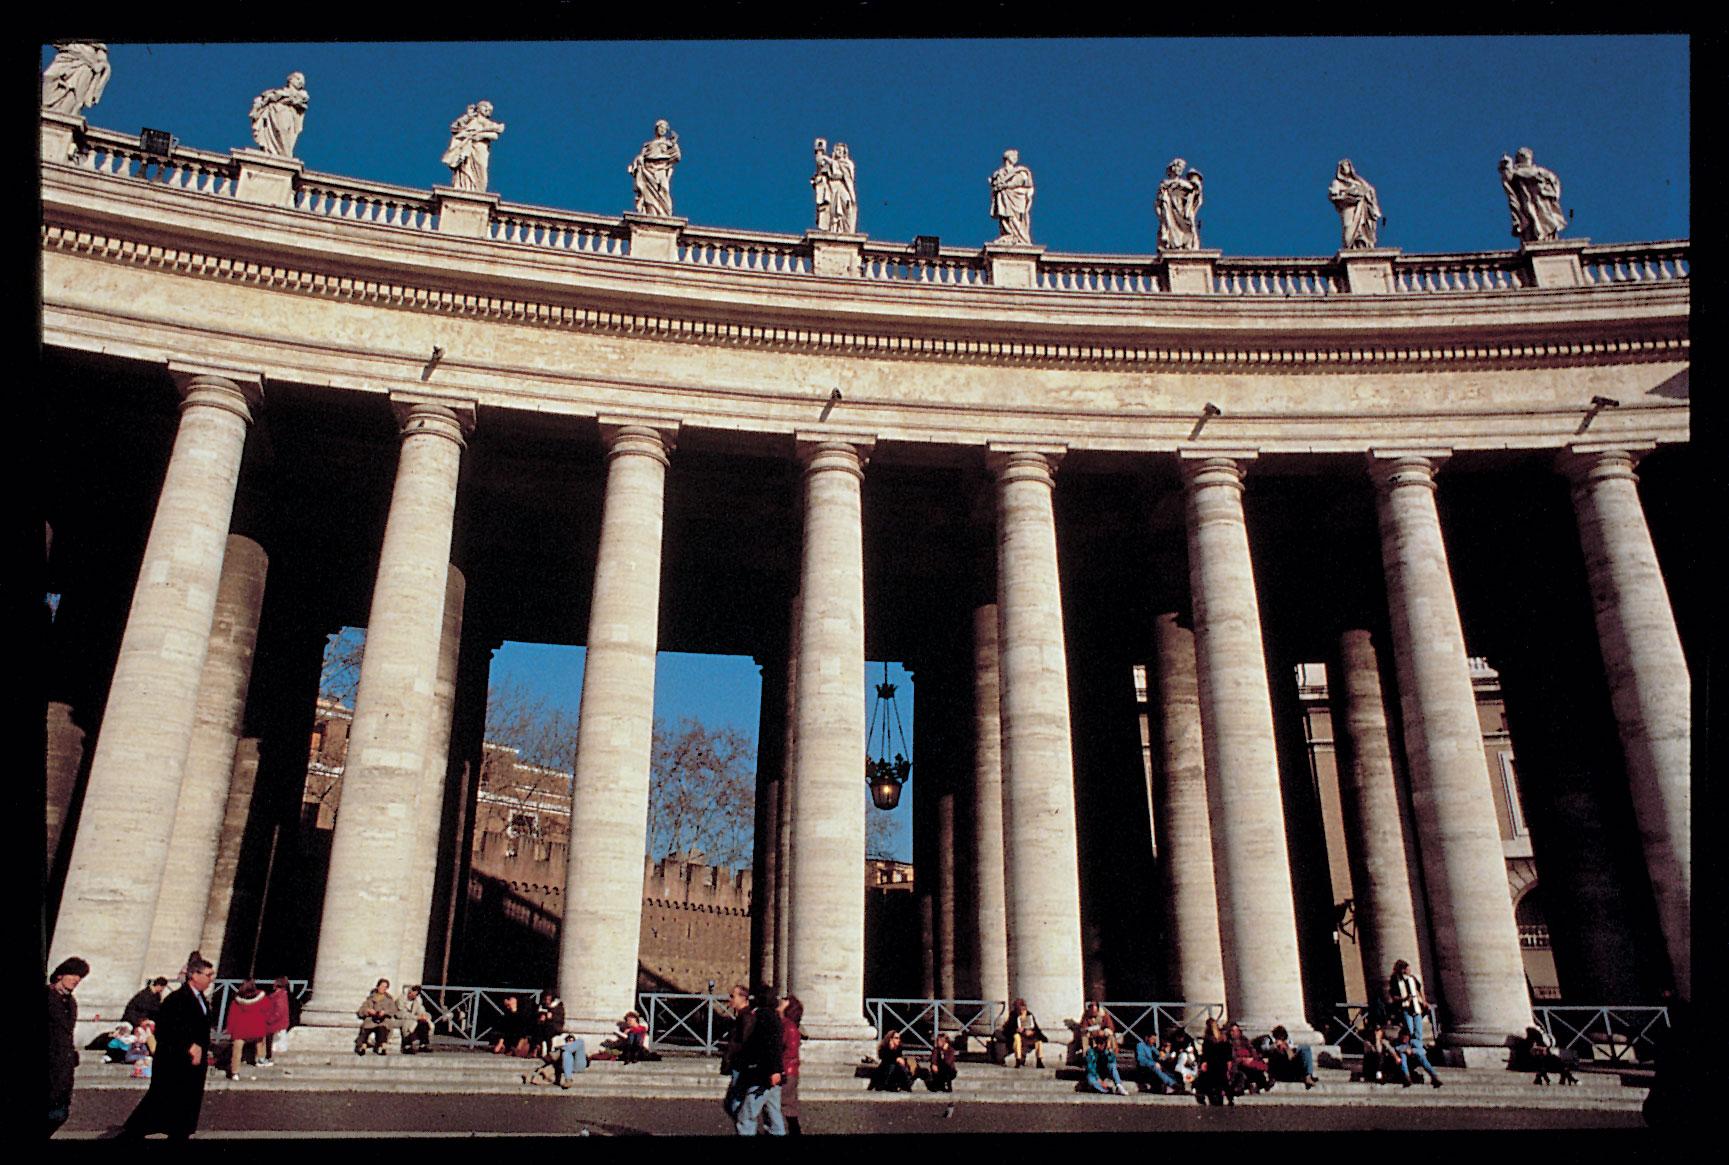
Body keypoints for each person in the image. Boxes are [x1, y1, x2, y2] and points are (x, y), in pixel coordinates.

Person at [119, 954, 216, 1139]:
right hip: (176, 1059)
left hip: (194, 1061)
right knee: (162, 1097)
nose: (211, 979)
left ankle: (179, 1132)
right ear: (194, 975)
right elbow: (168, 1028)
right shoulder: (176, 998)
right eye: (208, 974)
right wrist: (189, 1045)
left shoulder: (201, 999)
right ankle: (133, 1133)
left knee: (185, 1102)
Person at [733, 986, 787, 1136]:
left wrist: (774, 1070)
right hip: (771, 1073)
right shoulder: (773, 1016)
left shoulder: (763, 1017)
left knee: (746, 1118)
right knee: (774, 1117)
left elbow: (771, 1046)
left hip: (763, 1075)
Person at [48, 956, 88, 1138]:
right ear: (59, 975)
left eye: (80, 976)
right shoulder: (47, 997)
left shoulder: (71, 1003)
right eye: (73, 974)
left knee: (60, 1114)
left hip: (63, 1070)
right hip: (48, 1066)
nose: (77, 979)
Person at [1500, 147, 1567, 242]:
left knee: (1547, 219)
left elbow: (1554, 182)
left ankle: (1548, 238)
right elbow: (1509, 180)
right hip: (1529, 201)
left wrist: (1553, 193)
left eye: (1526, 154)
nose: (1525, 157)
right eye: (1521, 155)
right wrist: (1506, 167)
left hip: (1543, 200)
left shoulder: (1540, 171)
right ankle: (1537, 237)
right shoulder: (1516, 172)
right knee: (1532, 219)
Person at [441, 101, 505, 193]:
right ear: (478, 108)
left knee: (480, 168)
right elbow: (454, 128)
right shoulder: (471, 120)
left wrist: (480, 136)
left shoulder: (487, 122)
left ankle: (478, 190)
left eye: (489, 109)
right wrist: (467, 116)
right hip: (466, 146)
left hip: (479, 147)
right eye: (485, 107)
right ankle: (464, 187)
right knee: (464, 166)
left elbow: (495, 135)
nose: (487, 109)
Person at [628, 119, 681, 217]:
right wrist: (637, 161)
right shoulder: (647, 145)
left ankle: (663, 213)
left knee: (664, 189)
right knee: (648, 193)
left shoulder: (668, 144)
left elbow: (677, 156)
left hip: (661, 169)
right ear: (656, 129)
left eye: (664, 128)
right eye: (660, 127)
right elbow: (641, 156)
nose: (662, 129)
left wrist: (674, 144)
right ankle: (651, 212)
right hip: (648, 169)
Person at [249, 72, 309, 158]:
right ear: (291, 79)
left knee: (284, 131)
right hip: (275, 113)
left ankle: (284, 154)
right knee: (278, 131)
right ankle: (275, 152)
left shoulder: (302, 94)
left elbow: (301, 103)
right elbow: (266, 99)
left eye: (303, 81)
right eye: (298, 79)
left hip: (288, 114)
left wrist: (286, 100)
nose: (301, 82)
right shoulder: (278, 92)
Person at [42, 42, 110, 114]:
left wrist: (101, 64)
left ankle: (65, 112)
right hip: (66, 55)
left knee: (73, 90)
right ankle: (47, 105)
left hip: (86, 63)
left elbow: (102, 58)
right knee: (48, 76)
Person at [1329, 159, 1382, 250]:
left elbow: (1369, 190)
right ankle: (1351, 246)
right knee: (1348, 230)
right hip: (1348, 208)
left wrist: (1363, 194)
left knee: (1362, 228)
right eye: (1343, 166)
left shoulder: (1358, 182)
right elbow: (1334, 196)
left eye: (1347, 165)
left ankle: (1364, 243)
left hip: (1361, 207)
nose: (1345, 168)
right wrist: (1348, 195)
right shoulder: (1337, 183)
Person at [225, 979, 270, 1080]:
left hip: (240, 1028)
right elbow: (267, 1009)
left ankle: (235, 1072)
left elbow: (231, 1016)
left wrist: (230, 1030)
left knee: (237, 1052)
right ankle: (260, 1059)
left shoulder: (236, 1001)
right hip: (256, 1026)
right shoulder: (262, 998)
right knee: (260, 1041)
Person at [1156, 158, 1205, 251]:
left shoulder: (1184, 184)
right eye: (1178, 167)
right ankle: (1173, 244)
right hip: (1170, 209)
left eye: (1181, 168)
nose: (1180, 170)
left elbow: (1194, 193)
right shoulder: (1165, 183)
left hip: (1182, 210)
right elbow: (1159, 200)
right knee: (1170, 225)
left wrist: (1197, 187)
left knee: (1187, 226)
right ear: (1172, 168)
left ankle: (1187, 244)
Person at [719, 984, 753, 1118]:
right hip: (737, 1064)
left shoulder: (747, 1018)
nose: (730, 999)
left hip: (741, 1065)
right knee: (732, 1104)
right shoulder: (742, 1017)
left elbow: (743, 1043)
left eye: (733, 996)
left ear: (743, 998)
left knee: (735, 1104)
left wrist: (731, 1056)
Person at [989, 149, 1035, 244]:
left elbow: (1024, 181)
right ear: (1008, 157)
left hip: (1017, 198)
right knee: (1005, 217)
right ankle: (1009, 234)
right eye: (1014, 156)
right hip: (1004, 197)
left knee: (1017, 218)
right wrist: (996, 186)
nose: (1016, 159)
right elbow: (995, 184)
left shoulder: (1020, 171)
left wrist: (1006, 185)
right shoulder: (998, 173)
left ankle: (1019, 237)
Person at [1264, 1024, 1319, 1090]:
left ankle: (1308, 1076)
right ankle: (1272, 1078)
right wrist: (1276, 1046)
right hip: (1280, 1071)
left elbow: (1291, 1056)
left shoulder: (1288, 1043)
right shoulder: (1271, 1045)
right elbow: (1266, 1051)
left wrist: (1287, 1048)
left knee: (1305, 1048)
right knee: (1275, 1053)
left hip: (1292, 1068)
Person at [779, 995, 806, 1132]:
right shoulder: (788, 1025)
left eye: (783, 1002)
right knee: (788, 1106)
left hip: (786, 1070)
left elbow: (785, 1047)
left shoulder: (788, 1026)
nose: (780, 1003)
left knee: (784, 1106)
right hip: (789, 1070)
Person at [1391, 1022, 1444, 1089]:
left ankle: (1434, 1076)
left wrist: (1413, 1051)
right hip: (1402, 1063)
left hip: (1414, 1060)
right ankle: (1406, 1077)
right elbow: (1395, 1048)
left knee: (1422, 1057)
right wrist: (1405, 1050)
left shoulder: (1413, 1042)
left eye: (1406, 1038)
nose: (1404, 1040)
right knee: (1403, 1055)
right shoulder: (1397, 1042)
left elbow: (1423, 1051)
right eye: (1403, 1037)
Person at [1194, 1017, 1234, 1106]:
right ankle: (1230, 1098)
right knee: (1223, 1082)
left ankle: (1202, 1096)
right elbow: (1228, 1054)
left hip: (1212, 1064)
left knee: (1206, 1081)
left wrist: (1203, 1063)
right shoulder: (1223, 1039)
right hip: (1221, 1065)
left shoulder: (1208, 1040)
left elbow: (1205, 1054)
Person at [354, 979, 397, 1055]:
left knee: (382, 1029)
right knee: (366, 1028)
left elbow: (393, 1010)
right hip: (371, 1020)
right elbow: (360, 1011)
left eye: (385, 987)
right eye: (381, 986)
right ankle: (362, 1046)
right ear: (377, 986)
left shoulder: (389, 1000)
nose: (383, 988)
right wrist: (368, 1011)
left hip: (383, 1021)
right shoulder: (370, 999)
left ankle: (382, 1047)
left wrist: (385, 1012)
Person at [1226, 1022, 1270, 1094]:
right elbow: (1231, 1056)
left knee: (1257, 1067)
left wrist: (1252, 1058)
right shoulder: (1229, 1042)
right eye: (1232, 1031)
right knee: (1247, 1069)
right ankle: (1253, 1084)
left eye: (1236, 1030)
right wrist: (1242, 1059)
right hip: (1238, 1063)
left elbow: (1252, 1050)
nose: (1234, 1033)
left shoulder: (1244, 1040)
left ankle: (1262, 1083)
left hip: (1249, 1061)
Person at [1003, 997, 1046, 1068]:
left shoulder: (1029, 1014)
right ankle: (1018, 1060)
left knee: (1039, 1041)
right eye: (1020, 1008)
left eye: (1023, 1008)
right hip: (1020, 1035)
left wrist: (1032, 1032)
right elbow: (1007, 1029)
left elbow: (1036, 1028)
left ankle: (1039, 1060)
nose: (1022, 1011)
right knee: (1016, 1038)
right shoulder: (1013, 1015)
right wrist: (1016, 1030)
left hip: (1030, 1036)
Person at [1083, 1029, 1128, 1095]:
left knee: (1112, 1065)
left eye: (1101, 1043)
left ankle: (1119, 1085)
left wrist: (1109, 1051)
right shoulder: (1090, 1052)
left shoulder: (1107, 1052)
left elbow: (1112, 1061)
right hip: (1095, 1073)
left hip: (1105, 1072)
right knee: (1091, 1080)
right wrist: (1099, 1080)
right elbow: (1091, 1068)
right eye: (1098, 1043)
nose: (1099, 1045)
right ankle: (1106, 1090)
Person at [1359, 1020, 1404, 1085]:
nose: (1377, 1033)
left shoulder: (1384, 1041)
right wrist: (1377, 1040)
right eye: (1376, 1031)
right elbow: (1377, 1051)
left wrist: (1396, 1057)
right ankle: (1378, 1075)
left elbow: (1391, 1050)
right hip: (1372, 1064)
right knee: (1379, 1056)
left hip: (1381, 1065)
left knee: (1388, 1056)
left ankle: (1384, 1075)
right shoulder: (1367, 1043)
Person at [262, 976, 293, 1064]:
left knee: (273, 1044)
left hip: (276, 1023)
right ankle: (268, 1057)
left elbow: (279, 1011)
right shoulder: (280, 995)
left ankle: (269, 1058)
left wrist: (270, 1020)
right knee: (272, 1043)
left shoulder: (280, 996)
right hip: (276, 1022)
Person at [828, 143, 858, 234]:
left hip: (845, 188)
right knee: (833, 210)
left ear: (845, 153)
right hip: (834, 187)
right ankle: (835, 229)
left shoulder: (848, 163)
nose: (839, 152)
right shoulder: (830, 164)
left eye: (841, 150)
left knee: (848, 207)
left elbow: (849, 177)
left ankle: (848, 231)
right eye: (837, 150)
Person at [400, 984, 433, 1054]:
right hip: (402, 1018)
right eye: (412, 992)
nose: (413, 995)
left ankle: (423, 1045)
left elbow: (421, 1010)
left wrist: (424, 1016)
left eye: (416, 994)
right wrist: (416, 1017)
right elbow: (401, 1014)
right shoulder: (401, 1000)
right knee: (409, 1024)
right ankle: (407, 1046)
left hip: (413, 1019)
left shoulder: (416, 1001)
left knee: (423, 1022)